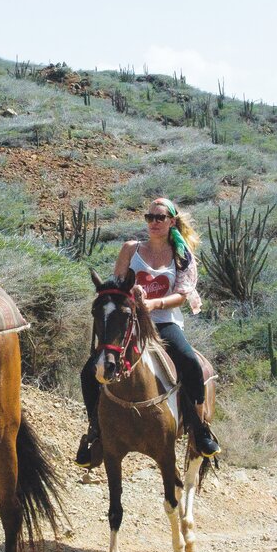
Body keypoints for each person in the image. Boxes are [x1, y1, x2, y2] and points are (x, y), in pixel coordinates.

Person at [75, 197, 220, 469]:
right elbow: (117, 286)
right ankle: (95, 431)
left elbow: (182, 295)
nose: (153, 222)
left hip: (164, 322)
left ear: (171, 221)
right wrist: (129, 296)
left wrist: (153, 304)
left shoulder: (182, 255)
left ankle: (199, 429)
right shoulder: (131, 249)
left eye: (159, 217)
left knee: (189, 362)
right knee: (89, 371)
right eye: (149, 217)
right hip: (129, 322)